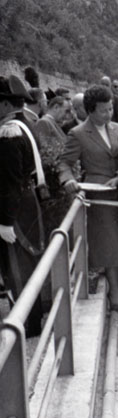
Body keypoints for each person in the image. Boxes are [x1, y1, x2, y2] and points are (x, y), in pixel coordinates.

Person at [58, 84, 118, 313]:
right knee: (110, 246)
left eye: (110, 109)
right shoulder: (78, 134)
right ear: (90, 110)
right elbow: (64, 163)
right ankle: (116, 297)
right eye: (103, 110)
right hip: (98, 197)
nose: (108, 114)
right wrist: (68, 181)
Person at [0, 75, 45, 337]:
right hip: (28, 202)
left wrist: (6, 221)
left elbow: (10, 183)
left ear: (6, 104)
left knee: (18, 267)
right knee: (28, 263)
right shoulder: (27, 124)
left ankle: (26, 324)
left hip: (16, 208)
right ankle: (32, 320)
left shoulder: (8, 133)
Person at [35, 96, 73, 235]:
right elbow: (45, 153)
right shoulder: (44, 123)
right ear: (56, 107)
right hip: (52, 182)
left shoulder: (53, 123)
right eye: (66, 110)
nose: (68, 115)